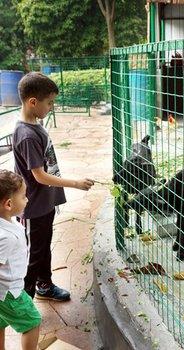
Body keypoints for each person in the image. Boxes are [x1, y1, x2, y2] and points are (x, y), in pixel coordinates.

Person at [12, 72, 94, 301]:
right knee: (33, 255)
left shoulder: (35, 125)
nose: (52, 107)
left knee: (43, 248)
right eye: (49, 103)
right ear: (33, 102)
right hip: (33, 207)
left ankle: (44, 285)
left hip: (43, 204)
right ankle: (24, 303)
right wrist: (75, 183)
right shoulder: (27, 134)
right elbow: (40, 176)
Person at [0, 170, 41, 350]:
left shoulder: (8, 220)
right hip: (9, 292)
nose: (27, 200)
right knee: (32, 322)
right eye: (24, 197)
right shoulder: (5, 237)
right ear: (8, 204)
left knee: (1, 322)